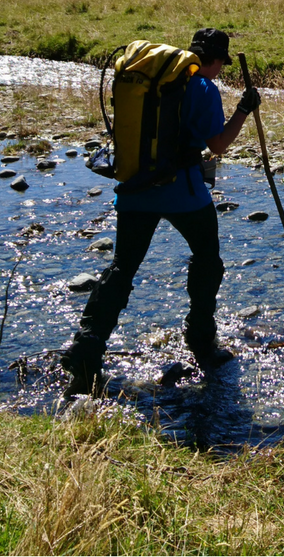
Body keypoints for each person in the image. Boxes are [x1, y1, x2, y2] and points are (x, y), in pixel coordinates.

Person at [63, 28, 260, 397]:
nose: (219, 71)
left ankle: (86, 351)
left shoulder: (150, 81)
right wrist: (244, 110)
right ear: (215, 60)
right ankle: (202, 342)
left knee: (122, 269)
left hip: (135, 187)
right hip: (182, 192)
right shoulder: (203, 88)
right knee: (207, 259)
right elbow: (217, 145)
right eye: (221, 64)